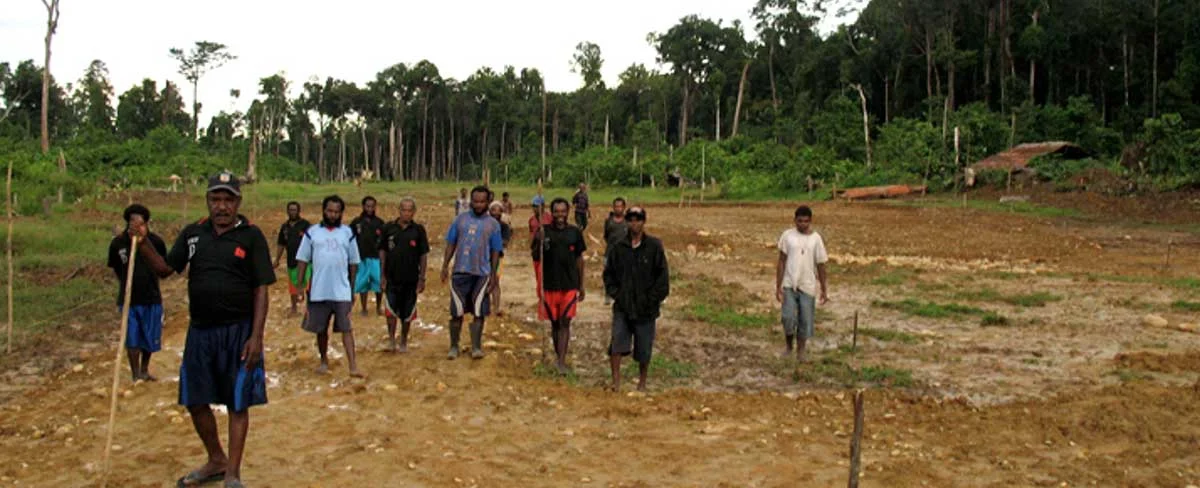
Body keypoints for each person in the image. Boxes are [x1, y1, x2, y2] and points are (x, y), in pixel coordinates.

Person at [133, 172, 274, 488]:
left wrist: (257, 337)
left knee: (238, 402)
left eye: (228, 200)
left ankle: (233, 474)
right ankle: (216, 459)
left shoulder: (251, 236)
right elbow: (165, 269)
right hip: (200, 332)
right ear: (208, 201)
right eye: (215, 199)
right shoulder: (193, 234)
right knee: (195, 399)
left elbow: (261, 289)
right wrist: (142, 242)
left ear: (238, 202)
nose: (221, 206)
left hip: (238, 332)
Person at [297, 195, 364, 378]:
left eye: (336, 211)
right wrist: (300, 286)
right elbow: (303, 259)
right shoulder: (312, 233)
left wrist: (351, 289)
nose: (333, 214)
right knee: (321, 330)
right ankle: (324, 360)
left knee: (347, 328)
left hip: (341, 290)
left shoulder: (348, 233)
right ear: (323, 211)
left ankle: (353, 366)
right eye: (329, 211)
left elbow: (353, 263)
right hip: (318, 290)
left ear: (341, 213)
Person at [604, 206, 669, 392]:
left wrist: (653, 299)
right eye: (631, 219)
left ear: (644, 221)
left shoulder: (654, 247)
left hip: (646, 308)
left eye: (638, 219)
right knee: (617, 343)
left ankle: (642, 383)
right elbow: (608, 274)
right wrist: (616, 293)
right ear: (626, 221)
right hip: (623, 306)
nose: (634, 223)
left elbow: (662, 277)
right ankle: (616, 382)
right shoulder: (619, 247)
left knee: (644, 348)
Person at [440, 186, 503, 360]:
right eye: (475, 201)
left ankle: (476, 346)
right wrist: (445, 266)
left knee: (479, 312)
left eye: (482, 201)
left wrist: (493, 275)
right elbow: (451, 244)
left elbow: (495, 251)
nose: (478, 204)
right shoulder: (460, 220)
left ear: (488, 202)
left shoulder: (493, 225)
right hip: (460, 271)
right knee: (456, 312)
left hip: (482, 273)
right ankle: (454, 346)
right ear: (471, 201)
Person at [107, 204, 168, 382]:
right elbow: (116, 268)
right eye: (132, 222)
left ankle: (144, 369)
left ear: (146, 224)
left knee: (149, 337)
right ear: (127, 223)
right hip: (129, 299)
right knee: (132, 337)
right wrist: (125, 283)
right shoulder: (118, 243)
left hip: (151, 297)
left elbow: (163, 267)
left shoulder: (156, 242)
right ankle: (135, 374)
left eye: (140, 223)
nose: (136, 226)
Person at [532, 198, 586, 374]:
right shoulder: (543, 232)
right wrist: (539, 241)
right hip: (550, 284)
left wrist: (582, 284)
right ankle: (558, 356)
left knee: (565, 322)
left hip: (569, 284)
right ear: (552, 212)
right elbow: (535, 257)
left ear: (568, 212)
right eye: (557, 211)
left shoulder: (575, 232)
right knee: (555, 323)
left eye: (563, 211)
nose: (560, 215)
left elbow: (579, 259)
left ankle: (561, 361)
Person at [775, 205, 829, 362]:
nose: (803, 224)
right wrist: (778, 286)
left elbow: (821, 265)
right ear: (795, 221)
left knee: (806, 320)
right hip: (789, 283)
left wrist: (824, 289)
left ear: (810, 221)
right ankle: (789, 347)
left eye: (806, 221)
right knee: (788, 317)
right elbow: (781, 261)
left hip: (807, 285)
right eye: (800, 221)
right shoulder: (788, 236)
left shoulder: (816, 239)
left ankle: (801, 351)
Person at [379, 197, 429, 353]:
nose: (406, 213)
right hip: (392, 278)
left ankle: (403, 340)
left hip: (411, 279)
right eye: (403, 210)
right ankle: (391, 340)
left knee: (407, 313)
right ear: (398, 210)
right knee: (391, 311)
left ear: (414, 212)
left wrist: (422, 278)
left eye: (409, 210)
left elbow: (423, 255)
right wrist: (382, 275)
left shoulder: (418, 230)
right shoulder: (388, 228)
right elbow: (382, 251)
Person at [274, 201, 312, 316]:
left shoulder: (305, 225)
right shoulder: (284, 227)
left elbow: (313, 242)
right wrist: (277, 259)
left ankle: (309, 309)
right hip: (291, 261)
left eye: (294, 210)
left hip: (306, 262)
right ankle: (294, 308)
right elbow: (281, 244)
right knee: (293, 287)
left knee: (309, 286)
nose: (292, 212)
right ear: (287, 211)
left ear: (299, 211)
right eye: (290, 210)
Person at [350, 196, 385, 317]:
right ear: (363, 206)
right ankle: (364, 308)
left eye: (372, 206)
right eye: (367, 206)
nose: (370, 208)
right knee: (363, 283)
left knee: (378, 283)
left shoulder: (380, 223)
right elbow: (350, 240)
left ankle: (379, 307)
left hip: (375, 258)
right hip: (361, 257)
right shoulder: (356, 222)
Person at [488, 201, 513, 317]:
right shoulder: (485, 224)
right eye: (493, 210)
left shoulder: (504, 227)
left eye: (498, 210)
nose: (496, 213)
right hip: (483, 257)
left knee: (495, 281)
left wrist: (492, 241)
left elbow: (505, 242)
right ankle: (485, 306)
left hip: (498, 258)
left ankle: (496, 307)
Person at [601, 197, 629, 305]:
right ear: (613, 207)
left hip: (625, 253)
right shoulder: (609, 221)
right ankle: (608, 294)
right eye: (616, 206)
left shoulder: (628, 221)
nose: (618, 209)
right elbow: (606, 236)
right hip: (610, 253)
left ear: (624, 208)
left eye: (620, 206)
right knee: (609, 274)